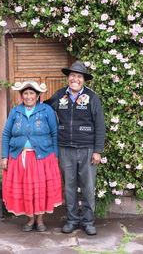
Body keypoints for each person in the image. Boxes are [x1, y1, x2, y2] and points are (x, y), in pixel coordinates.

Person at [44, 61, 106, 236]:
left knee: (87, 187)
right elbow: (46, 107)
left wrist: (97, 151)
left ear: (84, 80)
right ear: (68, 78)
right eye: (72, 75)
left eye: (79, 76)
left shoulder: (92, 98)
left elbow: (100, 125)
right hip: (65, 148)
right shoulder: (60, 96)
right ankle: (71, 220)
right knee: (69, 187)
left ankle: (88, 221)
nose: (75, 79)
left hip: (87, 149)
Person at [1, 81, 62, 232]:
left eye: (31, 93)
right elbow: (6, 134)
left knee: (40, 190)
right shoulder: (16, 111)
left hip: (42, 157)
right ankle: (30, 219)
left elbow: (55, 133)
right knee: (25, 190)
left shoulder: (46, 110)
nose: (28, 97)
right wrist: (4, 156)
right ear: (21, 96)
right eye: (25, 94)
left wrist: (55, 155)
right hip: (19, 157)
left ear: (38, 96)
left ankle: (40, 220)